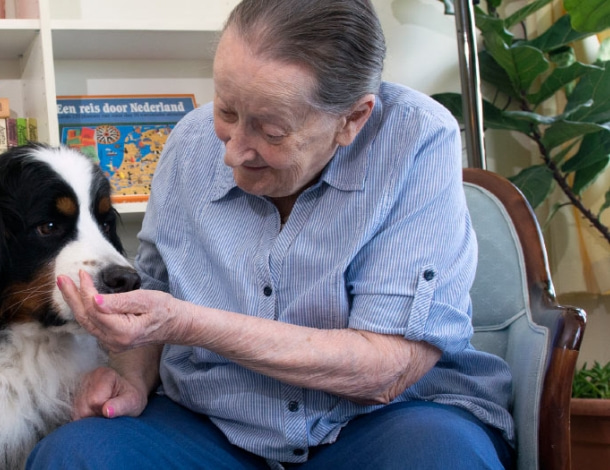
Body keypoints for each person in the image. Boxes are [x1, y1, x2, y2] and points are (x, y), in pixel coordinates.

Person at [27, 1, 515, 469]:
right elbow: (156, 293)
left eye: (271, 131)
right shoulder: (190, 143)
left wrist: (187, 324)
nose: (233, 152)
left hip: (385, 420)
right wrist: (131, 378)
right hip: (211, 424)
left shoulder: (416, 139)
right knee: (77, 454)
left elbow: (386, 369)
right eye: (226, 110)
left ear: (352, 119)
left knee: (439, 458)